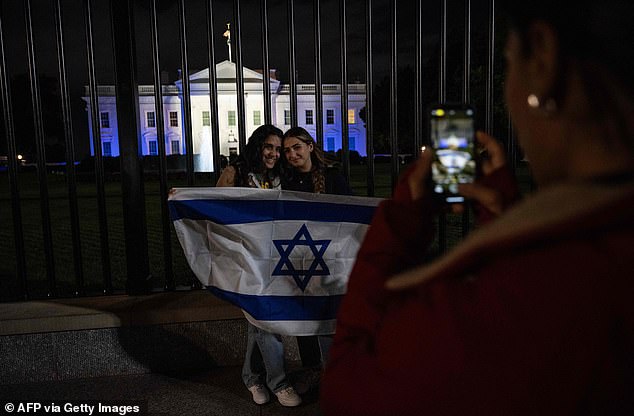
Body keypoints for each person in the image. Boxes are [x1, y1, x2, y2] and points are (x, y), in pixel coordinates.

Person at [320, 2, 634, 415]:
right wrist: (505, 215)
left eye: (509, 61)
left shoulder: (502, 310)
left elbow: (348, 388)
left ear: (543, 56)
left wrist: (400, 221)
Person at [216, 124, 302, 407]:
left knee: (259, 319)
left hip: (274, 258)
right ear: (257, 146)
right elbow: (214, 211)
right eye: (269, 147)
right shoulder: (235, 173)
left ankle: (251, 377)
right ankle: (280, 383)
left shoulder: (279, 175)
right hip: (245, 260)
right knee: (265, 316)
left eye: (278, 149)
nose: (275, 154)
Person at [279, 127, 353, 391]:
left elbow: (350, 214)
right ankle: (313, 369)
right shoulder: (285, 181)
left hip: (330, 258)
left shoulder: (333, 178)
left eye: (296, 147)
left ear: (310, 146)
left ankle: (333, 371)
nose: (291, 154)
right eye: (287, 150)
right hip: (299, 258)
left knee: (327, 315)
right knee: (305, 316)